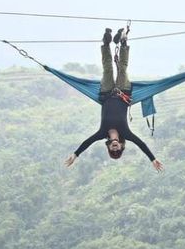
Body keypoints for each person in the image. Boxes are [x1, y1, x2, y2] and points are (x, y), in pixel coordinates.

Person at [64, 28, 165, 172]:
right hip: (123, 92)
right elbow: (141, 144)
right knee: (122, 69)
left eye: (113, 151)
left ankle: (106, 43)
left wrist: (75, 155)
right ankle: (123, 43)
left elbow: (87, 142)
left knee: (108, 69)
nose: (116, 149)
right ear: (122, 146)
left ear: (109, 146)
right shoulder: (126, 132)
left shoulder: (102, 132)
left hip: (106, 92)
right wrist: (153, 159)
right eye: (118, 151)